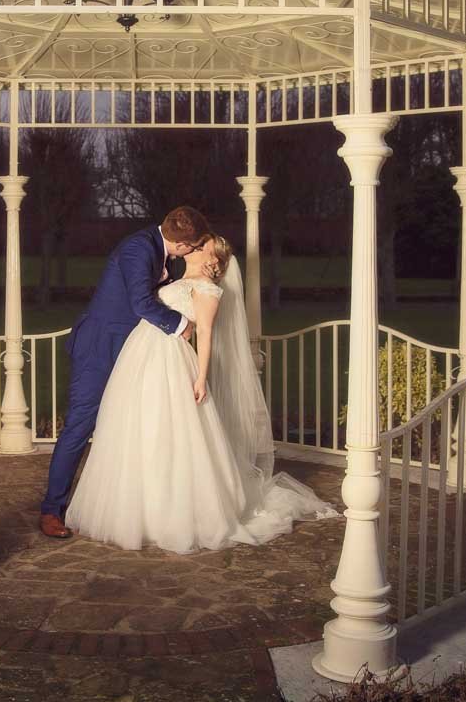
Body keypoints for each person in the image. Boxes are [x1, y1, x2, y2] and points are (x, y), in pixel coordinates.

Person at [65, 235, 336, 554]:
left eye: (199, 246)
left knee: (172, 432)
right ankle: (137, 506)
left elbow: (204, 333)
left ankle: (170, 513)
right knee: (141, 427)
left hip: (170, 361)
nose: (191, 248)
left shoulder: (208, 289)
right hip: (141, 357)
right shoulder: (178, 278)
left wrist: (202, 377)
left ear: (211, 258)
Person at [38, 206, 212, 538]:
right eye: (193, 246)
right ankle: (51, 510)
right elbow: (141, 304)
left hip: (132, 349)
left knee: (131, 426)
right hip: (100, 347)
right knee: (80, 425)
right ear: (184, 245)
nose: (191, 252)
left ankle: (129, 508)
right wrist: (183, 325)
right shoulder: (139, 248)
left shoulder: (161, 253)